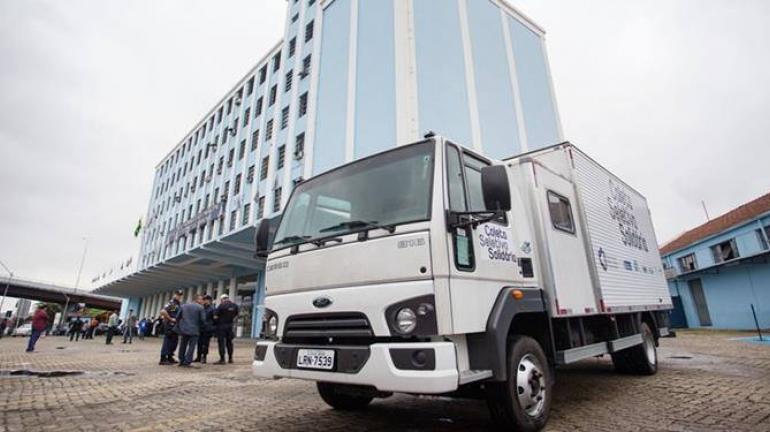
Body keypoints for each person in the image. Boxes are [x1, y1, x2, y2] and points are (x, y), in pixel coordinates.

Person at [177, 294, 206, 367]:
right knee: (191, 346)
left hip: (184, 329)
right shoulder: (200, 308)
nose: (202, 301)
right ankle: (187, 361)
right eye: (201, 299)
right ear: (197, 299)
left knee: (183, 345)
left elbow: (178, 317)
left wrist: (181, 325)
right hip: (195, 329)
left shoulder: (183, 306)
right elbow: (203, 320)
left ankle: (181, 360)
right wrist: (202, 327)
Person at [159, 290, 184, 365]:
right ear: (174, 295)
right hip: (170, 325)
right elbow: (163, 311)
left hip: (175, 326)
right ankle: (163, 358)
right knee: (168, 341)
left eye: (180, 295)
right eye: (178, 295)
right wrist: (170, 318)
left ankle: (170, 357)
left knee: (174, 342)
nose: (179, 296)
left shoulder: (177, 304)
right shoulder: (172, 303)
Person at [214, 294, 239, 364]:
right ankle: (230, 358)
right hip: (230, 326)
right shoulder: (235, 306)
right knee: (229, 343)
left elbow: (215, 316)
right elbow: (236, 315)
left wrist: (216, 322)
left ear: (222, 299)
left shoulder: (221, 306)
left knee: (221, 343)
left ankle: (222, 359)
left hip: (221, 326)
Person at [194, 295, 215, 364]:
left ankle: (204, 357)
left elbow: (214, 319)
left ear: (208, 300)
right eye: (204, 299)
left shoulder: (212, 309)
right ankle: (198, 357)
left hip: (207, 329)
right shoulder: (202, 308)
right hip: (201, 328)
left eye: (205, 300)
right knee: (199, 343)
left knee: (205, 344)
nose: (204, 301)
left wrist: (212, 328)